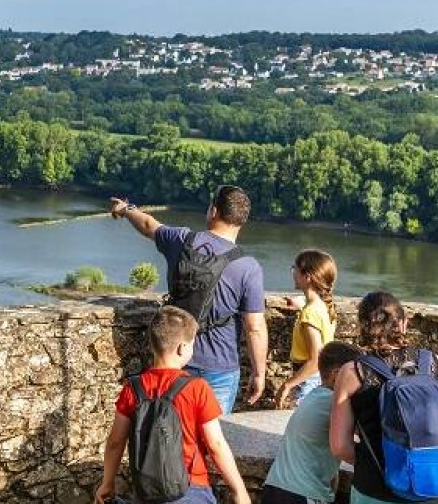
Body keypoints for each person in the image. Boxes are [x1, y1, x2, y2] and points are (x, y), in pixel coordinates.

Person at [109, 186, 268, 413]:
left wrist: (125, 209)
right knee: (213, 439)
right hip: (220, 367)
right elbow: (255, 328)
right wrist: (259, 373)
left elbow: (147, 225)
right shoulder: (248, 267)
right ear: (242, 221)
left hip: (174, 358)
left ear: (213, 211)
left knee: (171, 435)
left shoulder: (182, 240)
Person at [96, 306, 253, 504]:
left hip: (146, 491)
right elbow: (216, 445)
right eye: (192, 343)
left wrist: (107, 482)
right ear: (182, 348)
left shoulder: (133, 388)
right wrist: (239, 491)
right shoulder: (197, 388)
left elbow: (115, 442)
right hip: (190, 488)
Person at [328, 292, 438, 504]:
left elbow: (339, 446)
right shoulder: (435, 363)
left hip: (377, 491)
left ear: (363, 326)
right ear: (403, 323)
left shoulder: (353, 371)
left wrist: (385, 464)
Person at [260, 341, 364, 504]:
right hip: (302, 494)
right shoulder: (335, 403)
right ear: (337, 374)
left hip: (275, 487)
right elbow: (369, 431)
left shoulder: (314, 396)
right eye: (357, 374)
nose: (361, 381)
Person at [273, 250, 339, 409]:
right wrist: (301, 307)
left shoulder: (310, 313)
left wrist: (288, 385)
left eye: (294, 269)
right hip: (318, 378)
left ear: (307, 277)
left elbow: (315, 360)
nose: (293, 273)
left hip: (308, 380)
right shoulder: (322, 306)